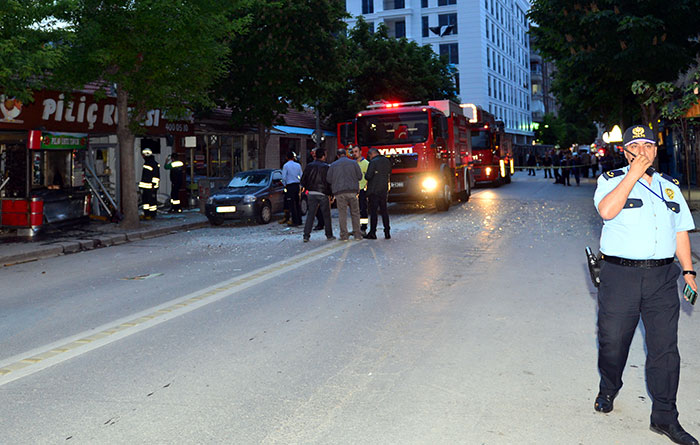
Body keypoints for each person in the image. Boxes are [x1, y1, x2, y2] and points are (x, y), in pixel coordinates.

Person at [593, 125, 697, 445]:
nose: (643, 151)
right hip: (619, 276)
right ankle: (609, 387)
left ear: (655, 150)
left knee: (665, 349)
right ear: (624, 151)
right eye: (635, 145)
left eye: (648, 145)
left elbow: (680, 231)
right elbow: (607, 211)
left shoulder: (670, 188)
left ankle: (665, 415)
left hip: (662, 279)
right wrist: (632, 176)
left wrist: (689, 273)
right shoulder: (611, 181)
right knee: (613, 342)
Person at [299, 148, 335, 242]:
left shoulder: (309, 166)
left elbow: (303, 180)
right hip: (323, 193)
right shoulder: (327, 167)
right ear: (323, 156)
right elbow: (329, 182)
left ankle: (306, 235)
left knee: (310, 214)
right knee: (326, 215)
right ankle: (329, 235)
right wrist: (331, 194)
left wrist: (306, 189)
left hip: (311, 193)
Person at [326, 148, 362, 241]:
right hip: (352, 191)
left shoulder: (333, 165)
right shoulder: (354, 163)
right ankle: (357, 234)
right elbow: (360, 176)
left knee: (342, 214)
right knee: (355, 213)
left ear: (338, 156)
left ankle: (344, 235)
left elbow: (329, 179)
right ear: (345, 154)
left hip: (339, 192)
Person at [364, 147, 391, 239]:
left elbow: (368, 176)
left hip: (374, 190)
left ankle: (372, 232)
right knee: (384, 211)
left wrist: (365, 174)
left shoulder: (373, 162)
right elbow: (389, 172)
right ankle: (387, 231)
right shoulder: (386, 161)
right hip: (383, 189)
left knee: (373, 212)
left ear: (372, 154)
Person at [350, 144, 370, 233]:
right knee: (354, 211)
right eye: (353, 152)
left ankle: (363, 228)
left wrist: (367, 190)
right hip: (353, 190)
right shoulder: (352, 163)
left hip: (362, 190)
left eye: (356, 152)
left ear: (360, 152)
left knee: (363, 210)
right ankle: (356, 228)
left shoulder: (366, 163)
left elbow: (369, 178)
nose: (354, 154)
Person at [281, 151, 302, 226]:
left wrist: (285, 185)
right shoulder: (298, 165)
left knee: (291, 204)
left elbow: (283, 177)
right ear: (293, 157)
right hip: (296, 185)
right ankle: (299, 220)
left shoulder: (286, 166)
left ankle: (294, 221)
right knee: (297, 203)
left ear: (287, 157)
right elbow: (301, 175)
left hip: (290, 186)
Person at [139, 147, 160, 219]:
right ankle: (147, 214)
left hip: (150, 187)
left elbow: (155, 176)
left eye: (143, 155)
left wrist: (153, 186)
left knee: (151, 202)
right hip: (147, 187)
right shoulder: (148, 162)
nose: (142, 156)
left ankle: (151, 214)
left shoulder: (151, 163)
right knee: (146, 202)